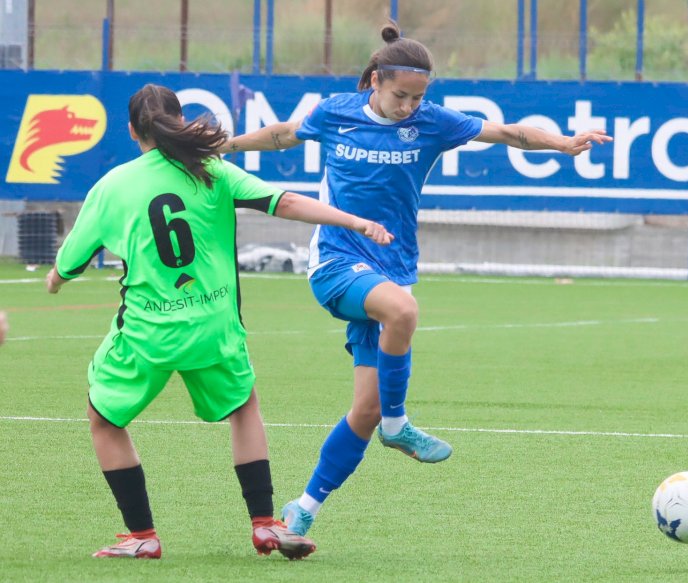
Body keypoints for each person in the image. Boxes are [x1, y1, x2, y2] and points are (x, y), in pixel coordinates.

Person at [224, 21, 613, 537]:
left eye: (417, 97)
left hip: (391, 269)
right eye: (400, 95)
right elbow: (279, 136)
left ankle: (303, 510)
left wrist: (564, 143)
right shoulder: (335, 113)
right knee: (403, 314)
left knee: (363, 409)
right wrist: (224, 146)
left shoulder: (433, 122)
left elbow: (509, 133)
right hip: (336, 262)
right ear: (374, 82)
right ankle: (398, 424)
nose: (408, 106)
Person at [45, 83, 393, 560]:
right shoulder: (211, 170)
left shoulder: (111, 186)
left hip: (148, 333)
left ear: (131, 131)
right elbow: (285, 202)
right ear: (179, 121)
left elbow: (71, 263)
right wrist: (353, 221)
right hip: (214, 327)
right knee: (244, 409)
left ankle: (142, 535)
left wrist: (54, 281)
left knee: (104, 421)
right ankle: (266, 524)